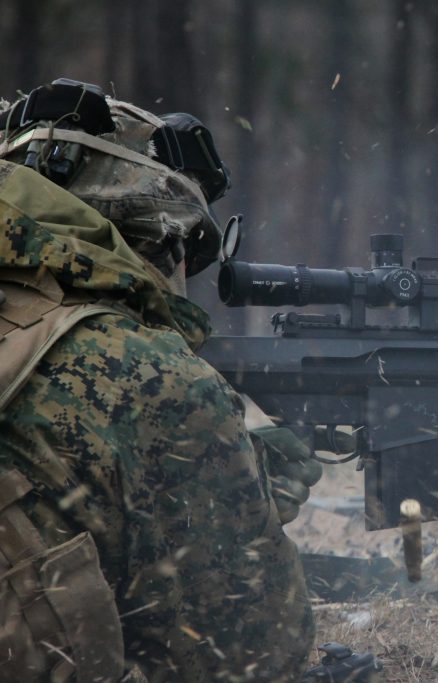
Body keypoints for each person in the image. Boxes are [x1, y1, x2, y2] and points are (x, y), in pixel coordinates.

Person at [0, 79, 377, 682]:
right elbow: (254, 651)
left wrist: (209, 489)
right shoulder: (144, 375)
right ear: (155, 238)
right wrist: (224, 505)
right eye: (186, 255)